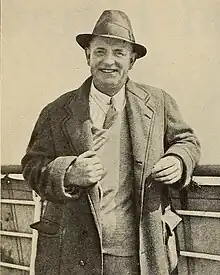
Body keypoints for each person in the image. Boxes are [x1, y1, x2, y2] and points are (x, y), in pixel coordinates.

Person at [21, 10, 200, 275]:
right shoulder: (55, 111)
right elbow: (32, 167)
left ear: (132, 59)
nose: (108, 61)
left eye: (118, 52)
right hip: (72, 256)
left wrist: (178, 160)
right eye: (100, 51)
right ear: (87, 56)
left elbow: (187, 141)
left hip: (140, 257)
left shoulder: (159, 102)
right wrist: (68, 172)